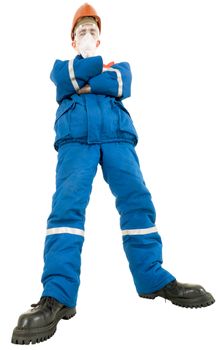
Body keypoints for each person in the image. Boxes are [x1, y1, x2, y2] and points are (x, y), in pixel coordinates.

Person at [11, 3, 215, 345]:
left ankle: (152, 277)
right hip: (76, 141)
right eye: (81, 32)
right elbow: (68, 79)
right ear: (72, 40)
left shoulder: (118, 66)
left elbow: (123, 82)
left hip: (118, 138)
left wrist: (91, 83)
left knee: (138, 203)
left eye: (92, 31)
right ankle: (58, 295)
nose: (88, 36)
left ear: (100, 37)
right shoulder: (62, 67)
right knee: (66, 210)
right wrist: (94, 80)